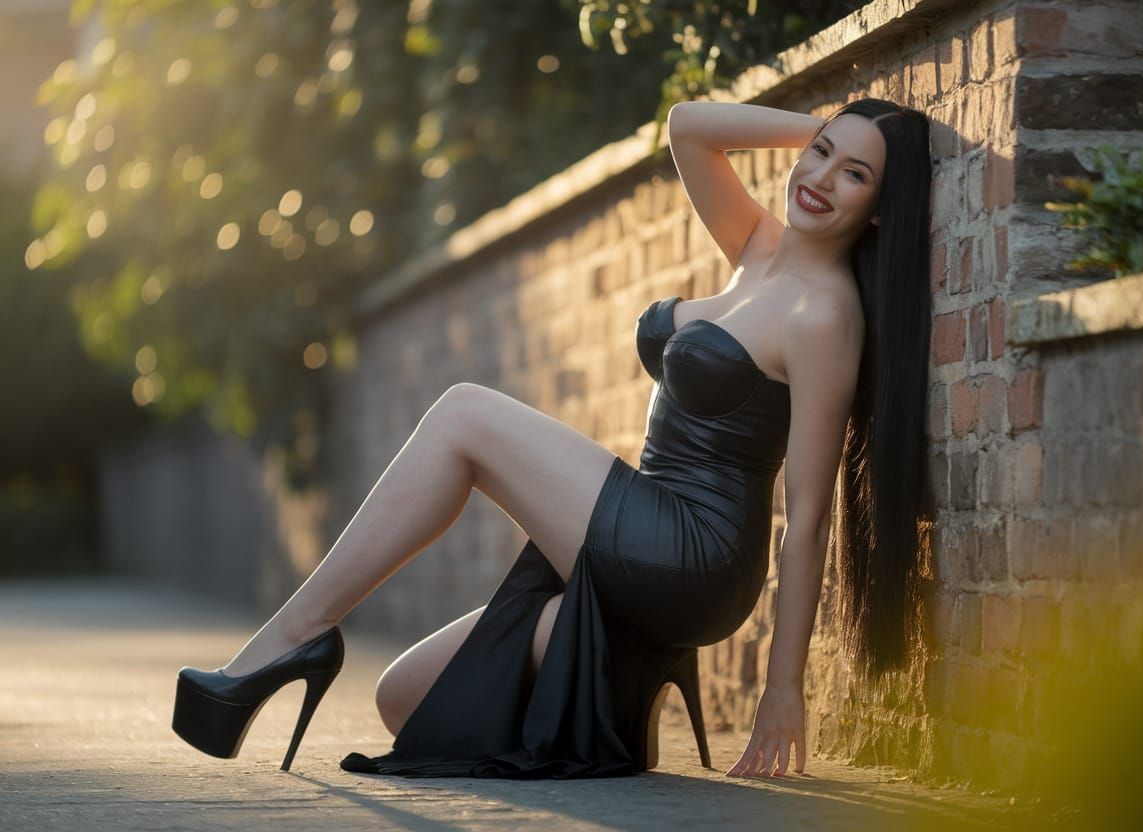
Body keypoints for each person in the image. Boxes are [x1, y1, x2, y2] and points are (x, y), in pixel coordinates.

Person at [172, 97, 934, 780]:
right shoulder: (760, 249)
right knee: (404, 699)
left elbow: (806, 522)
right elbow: (688, 128)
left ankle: (292, 637)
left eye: (855, 174)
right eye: (821, 154)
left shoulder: (824, 318)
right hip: (644, 536)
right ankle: (617, 675)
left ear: (878, 209)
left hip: (694, 557)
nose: (823, 177)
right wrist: (830, 126)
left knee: (465, 413)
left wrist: (782, 687)